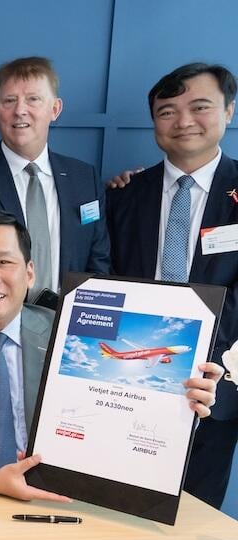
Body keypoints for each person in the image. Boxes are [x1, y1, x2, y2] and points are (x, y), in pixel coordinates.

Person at [0, 210, 220, 499]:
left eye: (4, 262)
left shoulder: (70, 332)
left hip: (69, 498)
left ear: (29, 274)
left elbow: (123, 407)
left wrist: (182, 405)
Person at [106, 63, 238, 509]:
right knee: (116, 508)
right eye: (167, 111)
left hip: (214, 384)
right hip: (125, 388)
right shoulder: (123, 195)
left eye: (199, 107)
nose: (183, 121)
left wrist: (198, 350)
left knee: (198, 514)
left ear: (229, 111)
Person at [0, 56, 109, 308]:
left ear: (55, 109)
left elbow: (98, 261)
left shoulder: (85, 178)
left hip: (70, 325)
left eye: (33, 99)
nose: (20, 110)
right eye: (9, 100)